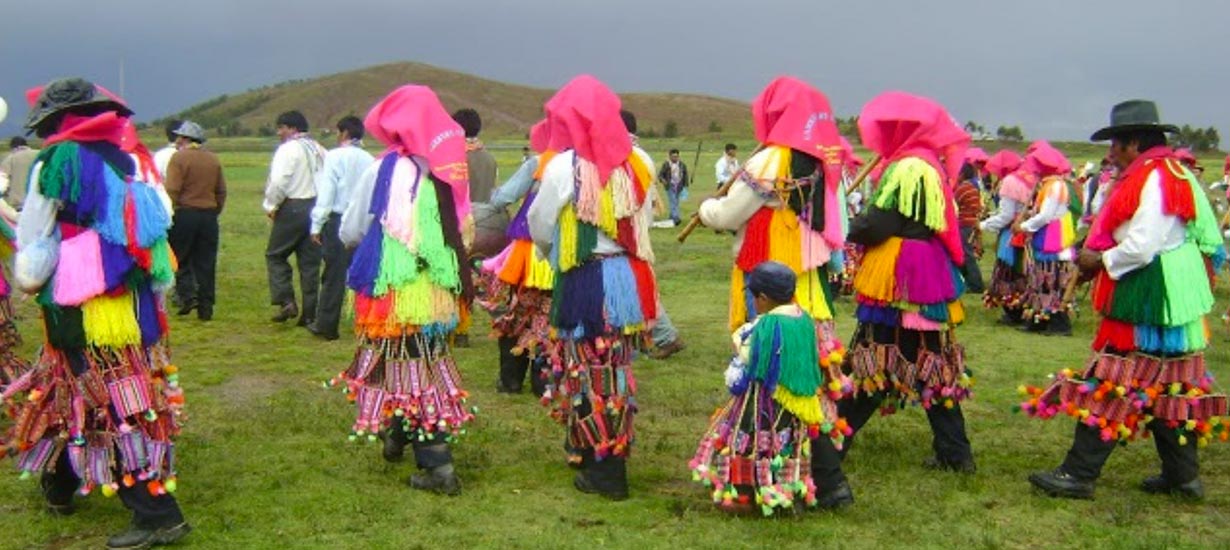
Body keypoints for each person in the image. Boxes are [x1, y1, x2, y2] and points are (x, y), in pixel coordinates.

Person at [5, 77, 189, 549]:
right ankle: (60, 483)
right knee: (80, 390)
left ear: (52, 123)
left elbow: (36, 237)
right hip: (126, 303)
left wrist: (30, 275)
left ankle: (158, 516)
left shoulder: (56, 161)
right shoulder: (122, 161)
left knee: (105, 400)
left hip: (78, 307)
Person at [1023, 100, 1228, 500]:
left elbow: (1142, 244)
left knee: (1114, 377)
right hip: (1175, 295)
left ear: (1134, 142)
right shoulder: (1171, 171)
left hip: (1151, 293)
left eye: (1116, 143)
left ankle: (1078, 474)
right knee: (1170, 383)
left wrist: (1099, 259)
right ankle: (1183, 478)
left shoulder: (1154, 177)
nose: (1111, 152)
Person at [697, 76, 853, 508]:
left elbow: (730, 212)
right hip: (806, 286)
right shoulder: (824, 161)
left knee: (765, 378)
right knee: (806, 379)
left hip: (769, 284)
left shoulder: (770, 160)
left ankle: (771, 477)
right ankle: (821, 478)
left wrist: (707, 209)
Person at [818, 91, 975, 485]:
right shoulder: (927, 164)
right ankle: (956, 453)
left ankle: (834, 445)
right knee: (930, 364)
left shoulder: (909, 168)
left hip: (903, 276)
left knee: (878, 357)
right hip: (922, 272)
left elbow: (881, 223)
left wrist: (852, 225)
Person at [330, 84, 476, 495]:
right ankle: (397, 434)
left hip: (395, 291)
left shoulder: (384, 169)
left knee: (407, 363)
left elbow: (354, 226)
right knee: (416, 359)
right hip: (441, 289)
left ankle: (438, 466)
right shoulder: (449, 171)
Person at [528, 75, 659, 500]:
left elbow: (540, 224)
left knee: (584, 368)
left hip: (584, 277)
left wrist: (556, 254)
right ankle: (600, 451)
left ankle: (602, 466)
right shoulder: (640, 160)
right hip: (626, 277)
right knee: (614, 366)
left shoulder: (565, 166)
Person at [689, 261, 830, 514]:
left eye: (753, 297)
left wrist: (739, 343)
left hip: (763, 401)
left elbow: (748, 356)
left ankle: (745, 496)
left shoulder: (765, 326)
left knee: (749, 441)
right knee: (785, 444)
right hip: (793, 402)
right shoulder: (804, 319)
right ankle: (785, 491)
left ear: (763, 298)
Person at [478, 119, 554, 394]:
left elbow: (503, 198)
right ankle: (542, 381)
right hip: (558, 253)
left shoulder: (537, 164)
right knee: (548, 316)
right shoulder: (579, 165)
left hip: (526, 252)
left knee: (516, 313)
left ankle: (510, 379)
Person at [308, 116, 373, 340]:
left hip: (338, 218)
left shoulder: (334, 156)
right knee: (363, 274)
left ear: (344, 133)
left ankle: (326, 324)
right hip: (363, 221)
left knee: (334, 274)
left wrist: (316, 224)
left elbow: (327, 193)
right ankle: (366, 323)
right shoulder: (369, 159)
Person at [263, 110, 325, 326]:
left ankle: (286, 300)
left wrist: (271, 204)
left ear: (293, 128)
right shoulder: (319, 148)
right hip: (316, 207)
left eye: (282, 128)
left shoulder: (288, 149)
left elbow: (279, 181)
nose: (279, 132)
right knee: (310, 264)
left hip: (293, 206)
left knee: (275, 255)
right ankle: (309, 314)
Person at [164, 120, 227, 321]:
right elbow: (221, 191)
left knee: (180, 258)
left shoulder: (179, 158)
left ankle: (187, 296)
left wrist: (168, 213)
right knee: (206, 263)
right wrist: (215, 210)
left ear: (184, 139)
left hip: (185, 214)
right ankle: (206, 308)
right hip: (208, 216)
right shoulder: (213, 159)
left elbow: (173, 189)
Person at [1014, 142, 1076, 335]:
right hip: (1046, 240)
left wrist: (1023, 226)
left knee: (1052, 282)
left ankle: (1058, 323)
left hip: (1054, 242)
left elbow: (1046, 215)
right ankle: (1039, 319)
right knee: (1041, 281)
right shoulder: (1048, 185)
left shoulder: (1055, 186)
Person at [451, 108, 495, 348]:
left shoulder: (455, 157)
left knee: (458, 277)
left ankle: (460, 328)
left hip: (462, 221)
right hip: (487, 223)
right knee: (480, 278)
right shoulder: (488, 157)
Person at [981, 150, 1038, 325]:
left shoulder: (1010, 181)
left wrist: (983, 225)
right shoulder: (1031, 178)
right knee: (1023, 272)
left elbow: (1006, 216)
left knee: (1007, 272)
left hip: (1011, 234)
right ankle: (1024, 307)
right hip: (1028, 232)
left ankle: (1013, 311)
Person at [954, 163, 986, 293]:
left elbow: (954, 203)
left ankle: (976, 284)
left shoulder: (964, 188)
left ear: (962, 174)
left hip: (965, 224)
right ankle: (970, 281)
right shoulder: (973, 187)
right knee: (968, 254)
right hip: (972, 223)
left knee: (967, 255)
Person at [0, 136, 38, 209]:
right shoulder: (39, 154)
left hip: (18, 204)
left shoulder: (10, 158)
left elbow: (2, 181)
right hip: (38, 203)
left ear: (12, 146)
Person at [657, 148, 689, 225]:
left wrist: (685, 185)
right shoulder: (666, 164)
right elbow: (660, 175)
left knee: (676, 201)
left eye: (676, 156)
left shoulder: (681, 165)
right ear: (670, 156)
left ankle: (671, 216)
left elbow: (685, 174)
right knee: (673, 201)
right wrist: (663, 181)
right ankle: (676, 218)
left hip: (679, 185)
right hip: (670, 185)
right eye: (673, 156)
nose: (675, 158)